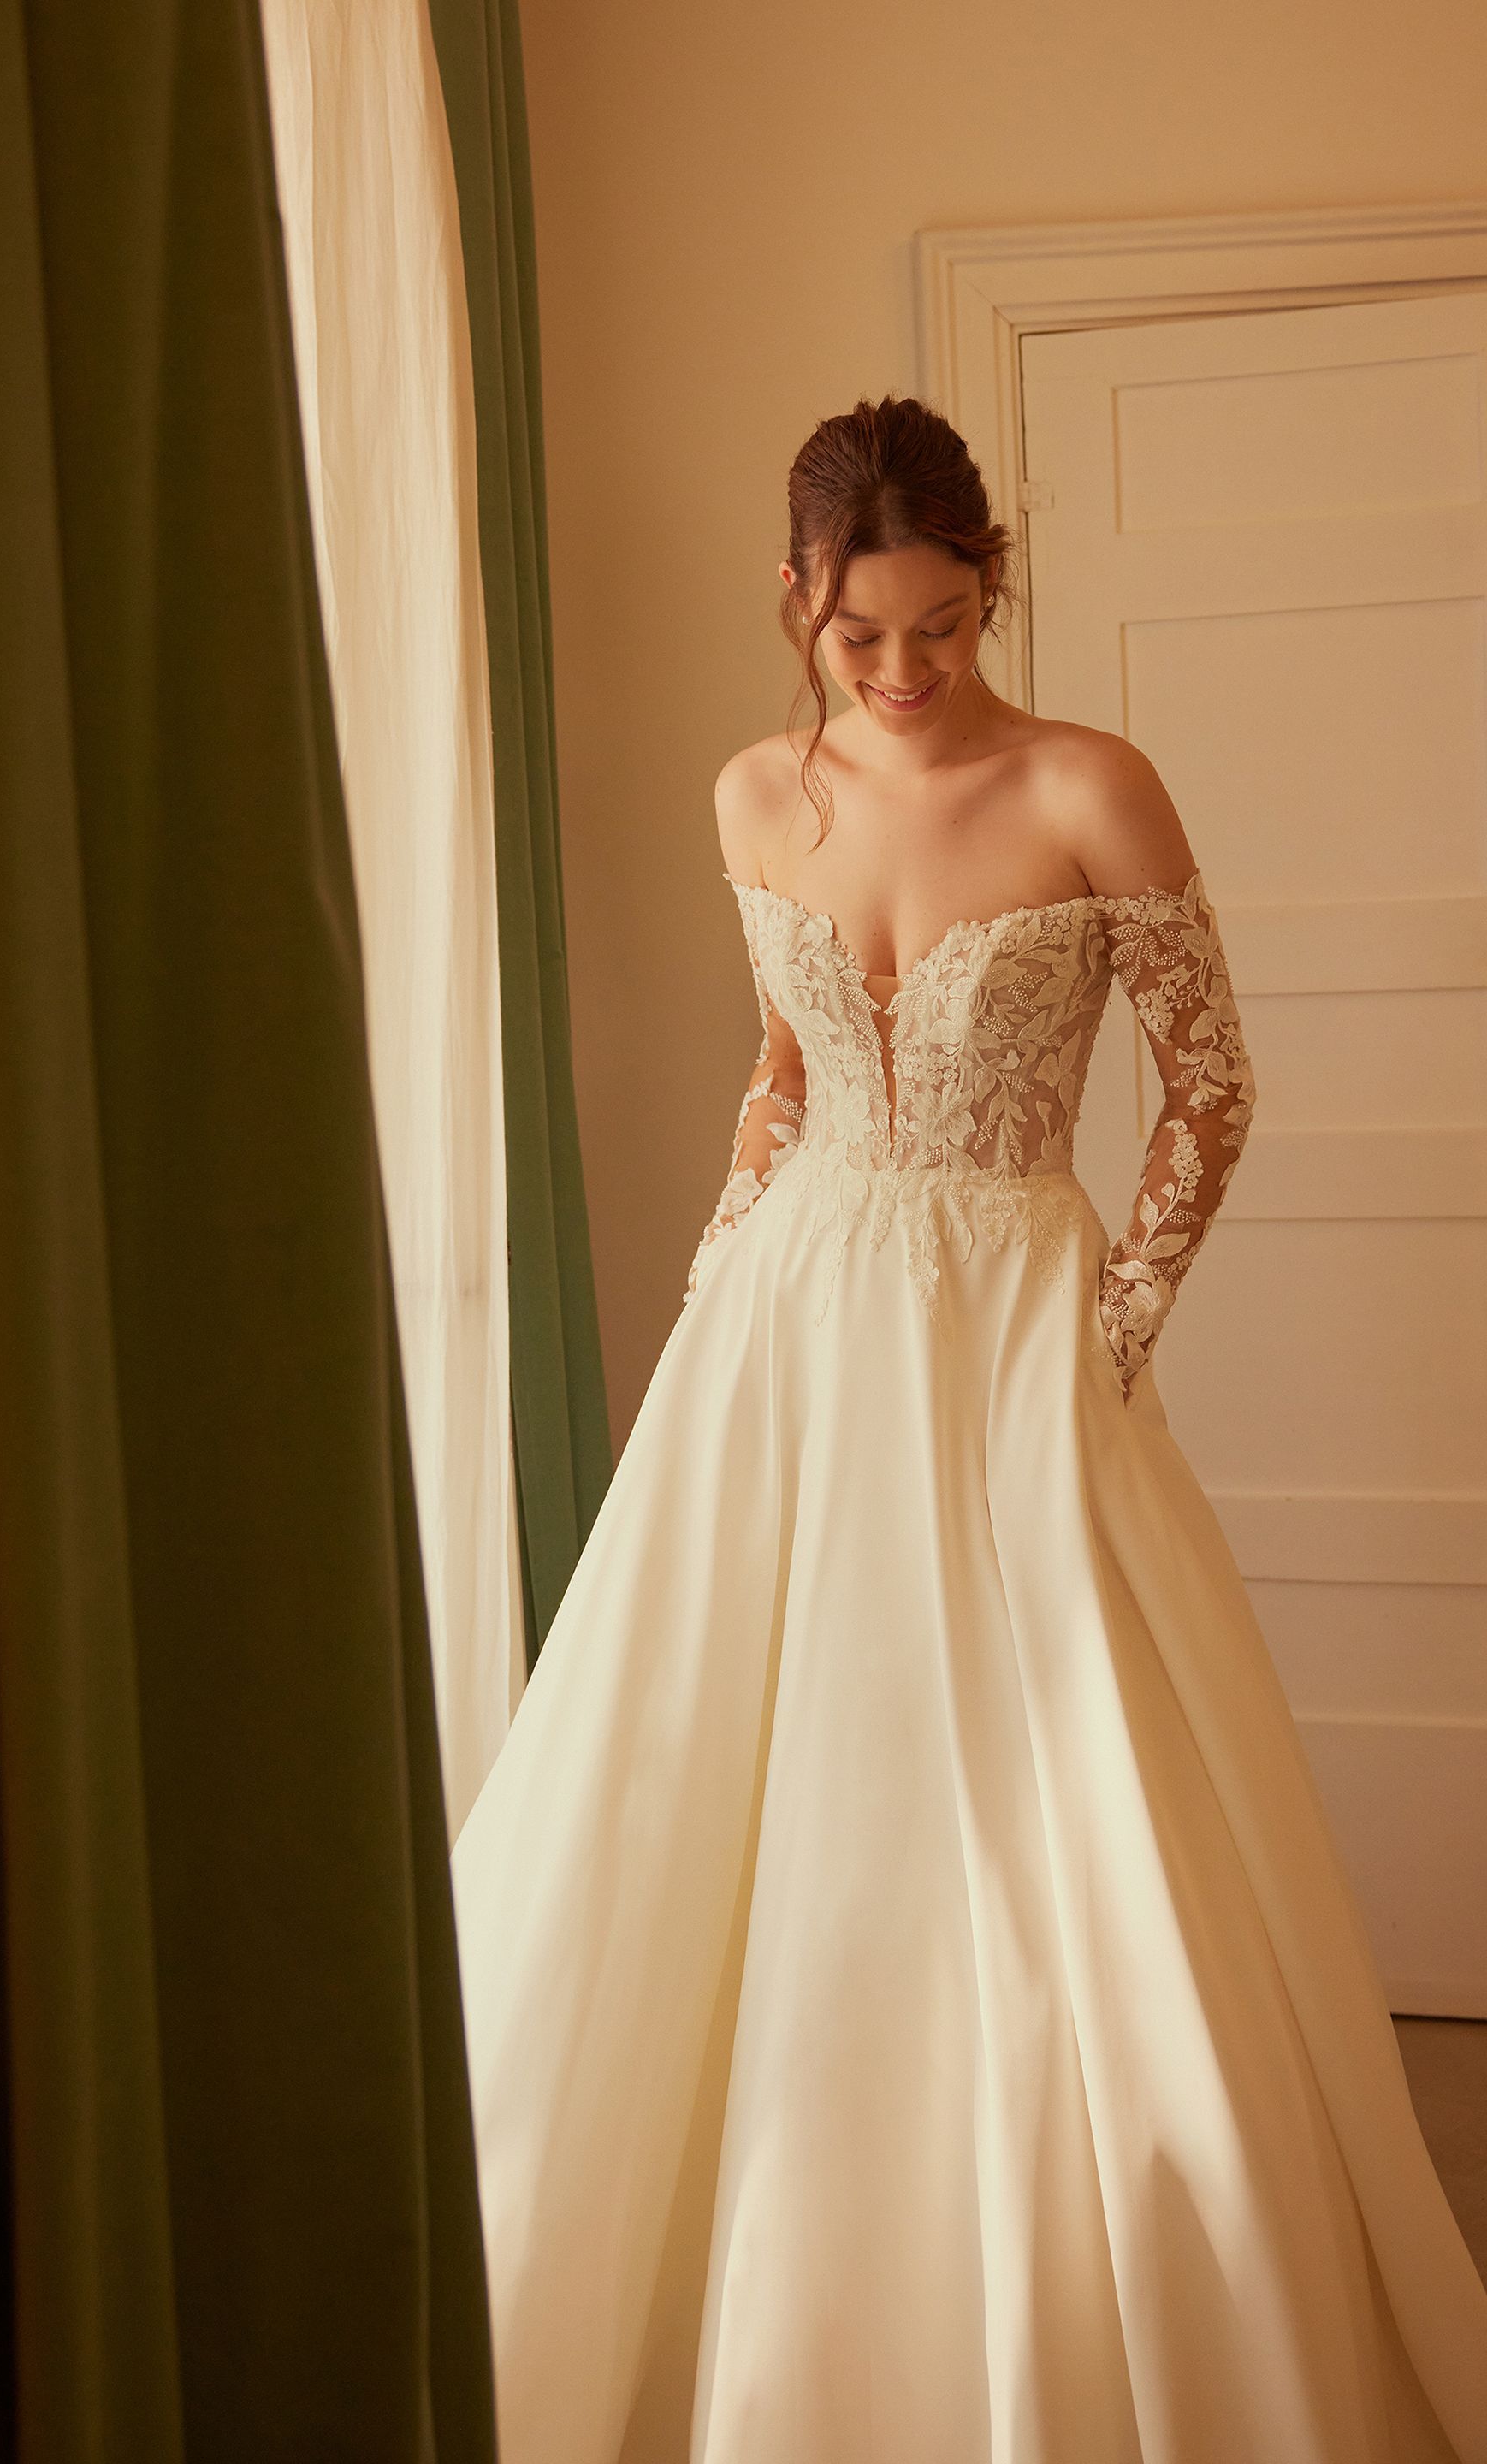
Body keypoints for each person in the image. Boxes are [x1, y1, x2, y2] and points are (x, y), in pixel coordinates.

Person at [449, 395, 1487, 2464]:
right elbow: (780, 1071)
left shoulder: (1091, 783)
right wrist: (714, 1284)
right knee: (709, 1788)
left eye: (940, 624)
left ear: (988, 585)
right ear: (798, 606)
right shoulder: (756, 795)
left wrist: (1110, 1327)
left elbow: (1213, 1088)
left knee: (1048, 1801)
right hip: (782, 1323)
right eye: (861, 639)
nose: (905, 671)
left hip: (1020, 1325)